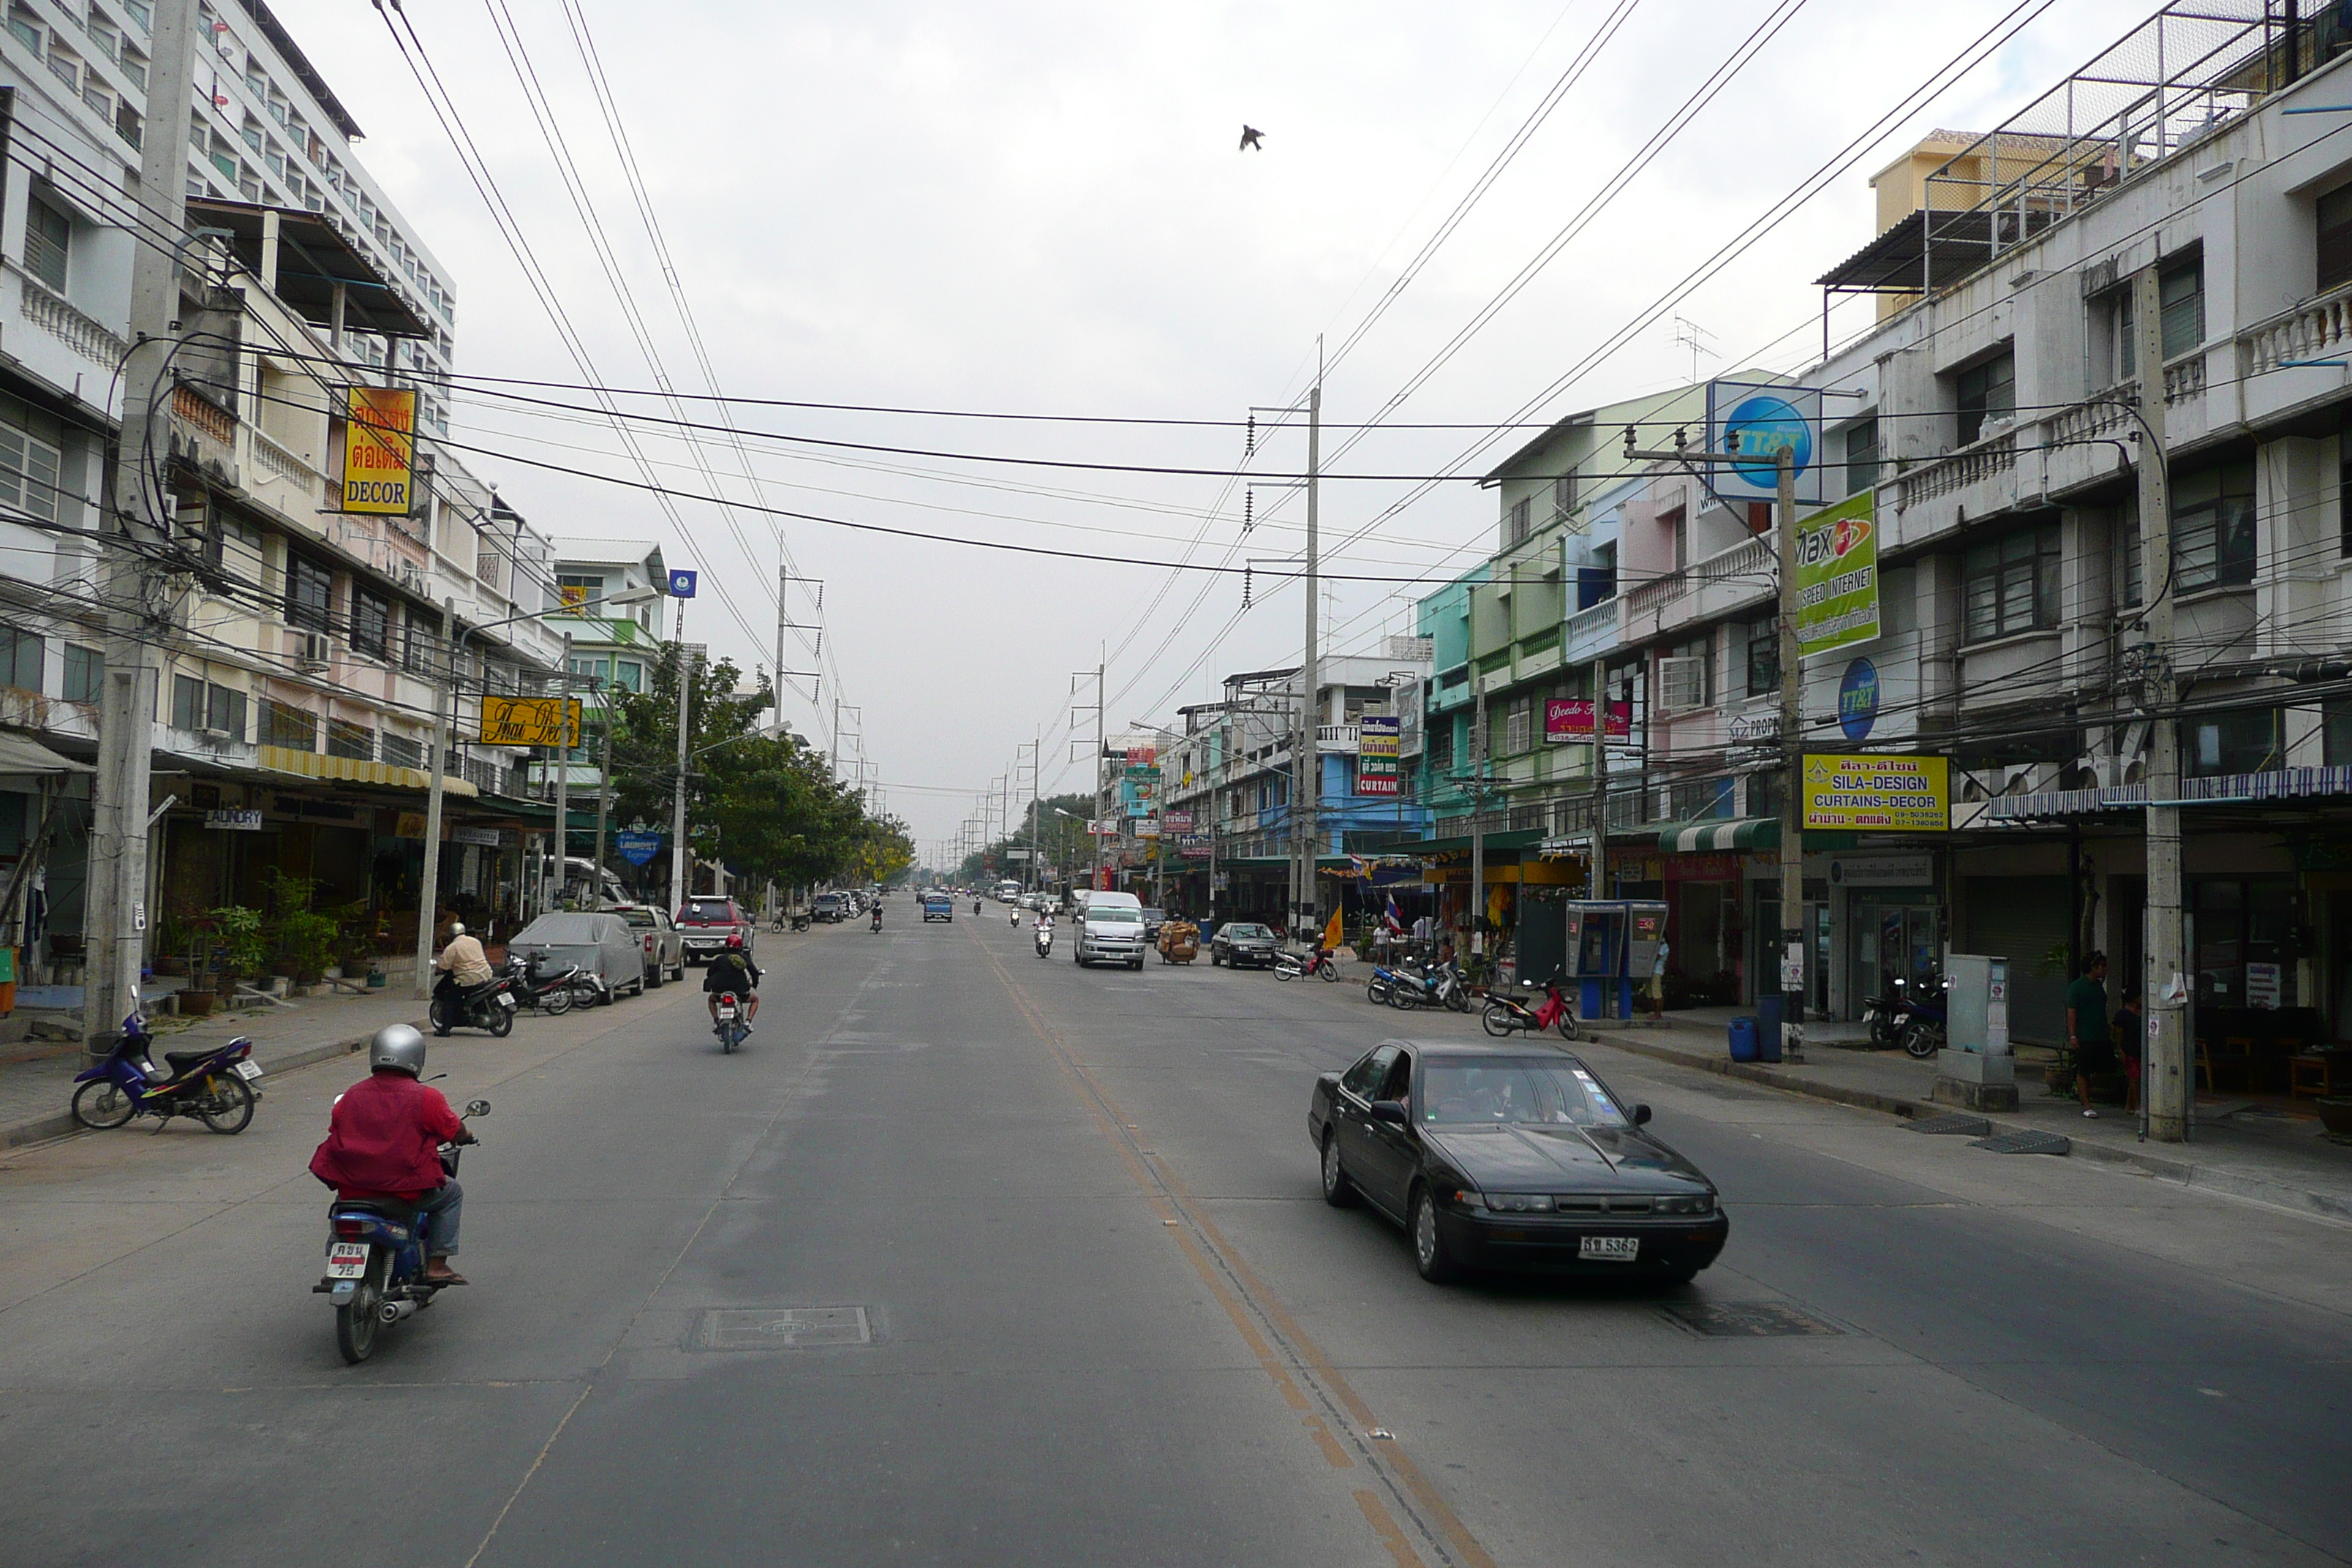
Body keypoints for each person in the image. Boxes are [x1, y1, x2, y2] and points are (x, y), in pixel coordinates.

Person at [309, 1025, 473, 1285]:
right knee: (452, 1194)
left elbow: (337, 1129)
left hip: (355, 1187)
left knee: (344, 1205)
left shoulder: (351, 1094)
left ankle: (335, 1265)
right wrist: (466, 1136)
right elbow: (452, 1129)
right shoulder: (426, 1097)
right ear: (416, 1057)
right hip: (405, 1191)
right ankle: (437, 1264)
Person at [2067, 951, 2114, 1117]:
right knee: (2084, 1069)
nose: (2105, 970)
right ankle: (2086, 1103)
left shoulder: (2099, 986)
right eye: (2103, 966)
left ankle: (2086, 1095)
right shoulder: (2078, 987)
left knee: (2098, 1069)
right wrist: (2073, 1035)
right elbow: (2072, 1012)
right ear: (2094, 967)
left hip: (2100, 1034)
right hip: (2085, 1034)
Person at [704, 932, 762, 1034]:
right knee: (755, 1000)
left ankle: (717, 1021)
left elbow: (709, 973)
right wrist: (754, 984)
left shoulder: (720, 959)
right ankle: (748, 1022)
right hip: (741, 992)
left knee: (711, 999)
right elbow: (754, 973)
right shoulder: (744, 958)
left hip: (720, 991)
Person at [2116, 990, 2145, 1114]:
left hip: (2140, 1048)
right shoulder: (2122, 1014)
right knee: (2134, 1076)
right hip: (2129, 1048)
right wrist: (2120, 1049)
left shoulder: (2141, 1013)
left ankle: (2129, 1105)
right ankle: (2137, 1105)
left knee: (2136, 1076)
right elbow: (2117, 1033)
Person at [1651, 938, 1671, 1020]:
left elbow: (1656, 957)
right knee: (1651, 992)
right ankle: (1654, 1012)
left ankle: (1658, 1014)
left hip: (1657, 971)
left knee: (1657, 992)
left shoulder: (1664, 947)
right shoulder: (1659, 945)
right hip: (1652, 971)